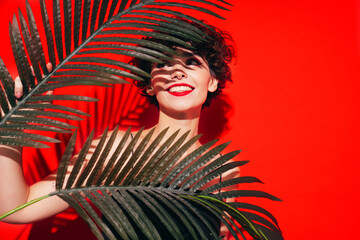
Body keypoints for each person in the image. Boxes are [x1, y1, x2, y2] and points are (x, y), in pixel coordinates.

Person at [0, 19, 239, 239]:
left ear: (212, 81)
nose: (177, 72)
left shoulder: (225, 171)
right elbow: (16, 207)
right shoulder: (117, 148)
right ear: (149, 85)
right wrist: (13, 123)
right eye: (164, 64)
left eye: (192, 62)